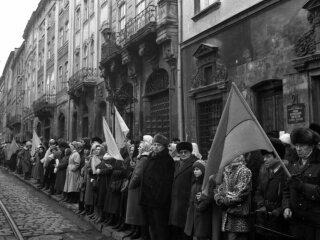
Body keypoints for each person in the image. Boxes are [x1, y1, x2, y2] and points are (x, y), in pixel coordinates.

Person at [282, 127, 320, 240]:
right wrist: (286, 206)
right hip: (296, 221)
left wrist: (302, 186)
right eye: (296, 145)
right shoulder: (292, 164)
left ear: (312, 146)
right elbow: (286, 190)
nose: (298, 149)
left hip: (315, 223)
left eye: (302, 145)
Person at [140, 133, 175, 240]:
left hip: (159, 201)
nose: (155, 147)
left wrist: (160, 198)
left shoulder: (167, 160)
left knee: (160, 227)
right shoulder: (151, 157)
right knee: (152, 226)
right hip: (148, 198)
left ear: (164, 147)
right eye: (154, 144)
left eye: (158, 145)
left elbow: (166, 182)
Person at [254, 138, 289, 239]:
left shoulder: (286, 172)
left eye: (268, 156)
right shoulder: (263, 170)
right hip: (264, 220)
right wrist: (261, 205)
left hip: (279, 221)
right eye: (264, 156)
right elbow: (258, 191)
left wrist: (280, 210)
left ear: (278, 157)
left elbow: (288, 195)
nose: (264, 159)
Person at [215, 155, 252, 240]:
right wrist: (218, 197)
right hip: (227, 214)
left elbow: (240, 192)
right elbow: (220, 188)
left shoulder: (245, 171)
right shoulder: (227, 170)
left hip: (239, 214)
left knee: (236, 237)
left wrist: (223, 200)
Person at [169, 142, 198, 240]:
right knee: (177, 228)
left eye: (186, 152)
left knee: (186, 229)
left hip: (186, 201)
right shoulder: (177, 164)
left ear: (190, 152)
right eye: (181, 152)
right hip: (176, 200)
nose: (183, 154)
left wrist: (191, 199)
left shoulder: (195, 163)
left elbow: (195, 183)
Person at [126, 139, 152, 239]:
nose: (138, 148)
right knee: (135, 212)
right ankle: (136, 230)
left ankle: (141, 233)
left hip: (137, 189)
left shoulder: (144, 159)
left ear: (145, 148)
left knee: (137, 212)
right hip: (137, 188)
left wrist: (130, 185)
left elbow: (138, 175)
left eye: (140, 147)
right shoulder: (141, 158)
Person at [184, 160, 212, 240]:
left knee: (201, 236)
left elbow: (208, 198)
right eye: (194, 170)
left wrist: (198, 205)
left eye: (197, 169)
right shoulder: (195, 182)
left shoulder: (206, 183)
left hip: (202, 216)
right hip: (194, 214)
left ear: (203, 170)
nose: (195, 171)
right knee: (195, 235)